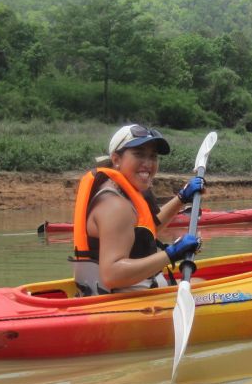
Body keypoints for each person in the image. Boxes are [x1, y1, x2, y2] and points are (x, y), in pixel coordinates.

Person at [72, 124, 204, 296]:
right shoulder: (116, 205)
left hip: (132, 288)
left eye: (153, 156)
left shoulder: (122, 191)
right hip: (123, 300)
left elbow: (147, 231)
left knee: (201, 283)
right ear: (116, 159)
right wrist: (171, 253)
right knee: (207, 289)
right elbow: (112, 275)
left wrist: (181, 198)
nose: (148, 164)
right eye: (139, 154)